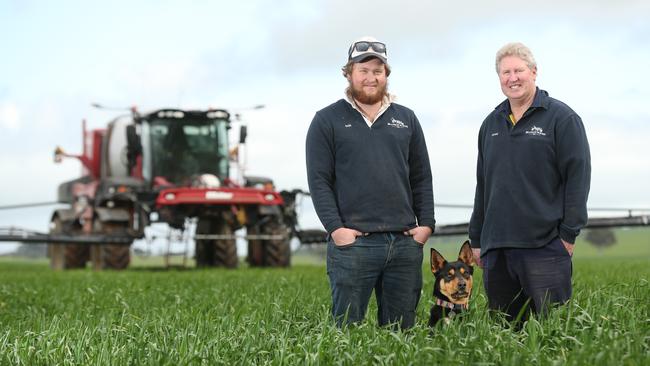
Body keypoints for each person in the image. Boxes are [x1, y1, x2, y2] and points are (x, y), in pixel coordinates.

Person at [306, 36, 435, 329]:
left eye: (378, 70)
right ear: (349, 73)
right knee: (346, 333)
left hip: (404, 243)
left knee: (401, 335)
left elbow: (421, 176)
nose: (370, 77)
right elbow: (319, 181)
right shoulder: (327, 120)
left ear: (386, 75)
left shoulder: (407, 119)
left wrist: (426, 225)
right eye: (363, 70)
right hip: (354, 245)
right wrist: (337, 230)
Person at [469, 42, 591, 323]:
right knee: (504, 335)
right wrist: (477, 238)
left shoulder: (563, 119)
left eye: (519, 70)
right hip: (497, 249)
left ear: (534, 72)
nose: (512, 78)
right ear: (499, 78)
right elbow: (483, 185)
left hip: (545, 247)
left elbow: (578, 177)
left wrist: (568, 234)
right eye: (505, 72)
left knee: (552, 333)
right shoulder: (491, 124)